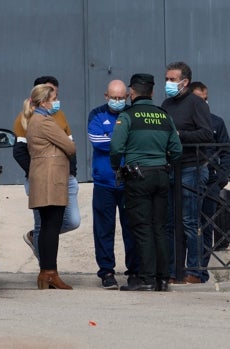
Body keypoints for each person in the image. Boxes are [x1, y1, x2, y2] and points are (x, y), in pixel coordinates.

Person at [110, 73, 183, 291]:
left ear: (132, 93)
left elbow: (115, 148)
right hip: (161, 174)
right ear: (152, 92)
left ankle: (146, 279)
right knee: (159, 227)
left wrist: (117, 166)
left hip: (138, 176)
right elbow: (177, 150)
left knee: (142, 228)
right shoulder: (164, 116)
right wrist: (163, 161)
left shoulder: (128, 116)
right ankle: (162, 278)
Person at [13, 76, 80, 258]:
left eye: (56, 95)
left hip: (65, 177)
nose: (56, 100)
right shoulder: (28, 119)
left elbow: (71, 146)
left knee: (72, 221)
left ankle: (39, 242)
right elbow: (19, 151)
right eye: (52, 97)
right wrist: (35, 172)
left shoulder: (58, 115)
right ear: (41, 98)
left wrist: (71, 173)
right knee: (44, 224)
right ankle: (46, 268)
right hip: (42, 178)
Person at [161, 62, 213, 284]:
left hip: (192, 167)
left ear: (185, 82)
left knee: (190, 221)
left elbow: (206, 134)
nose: (169, 83)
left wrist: (179, 135)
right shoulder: (166, 103)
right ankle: (174, 270)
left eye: (173, 80)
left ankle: (196, 270)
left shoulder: (196, 104)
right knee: (172, 222)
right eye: (167, 79)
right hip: (172, 167)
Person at [87, 79, 140, 289]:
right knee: (103, 230)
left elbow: (137, 142)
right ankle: (106, 271)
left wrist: (113, 138)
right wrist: (122, 140)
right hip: (104, 183)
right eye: (113, 97)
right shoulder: (97, 114)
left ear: (127, 97)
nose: (117, 101)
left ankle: (134, 271)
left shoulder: (131, 114)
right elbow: (96, 140)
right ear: (106, 96)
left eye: (121, 97)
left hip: (129, 183)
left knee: (132, 229)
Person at [24, 83, 76, 290]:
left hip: (42, 177)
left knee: (46, 227)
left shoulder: (34, 120)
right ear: (44, 101)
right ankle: (50, 273)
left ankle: (46, 273)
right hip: (50, 179)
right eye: (54, 99)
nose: (56, 102)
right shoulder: (45, 121)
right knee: (51, 228)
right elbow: (70, 146)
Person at [190, 81, 230, 281]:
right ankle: (187, 267)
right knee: (188, 224)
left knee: (207, 225)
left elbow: (226, 150)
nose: (204, 103)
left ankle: (201, 270)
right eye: (199, 99)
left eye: (205, 99)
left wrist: (223, 176)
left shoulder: (217, 122)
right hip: (188, 181)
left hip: (212, 182)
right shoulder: (186, 123)